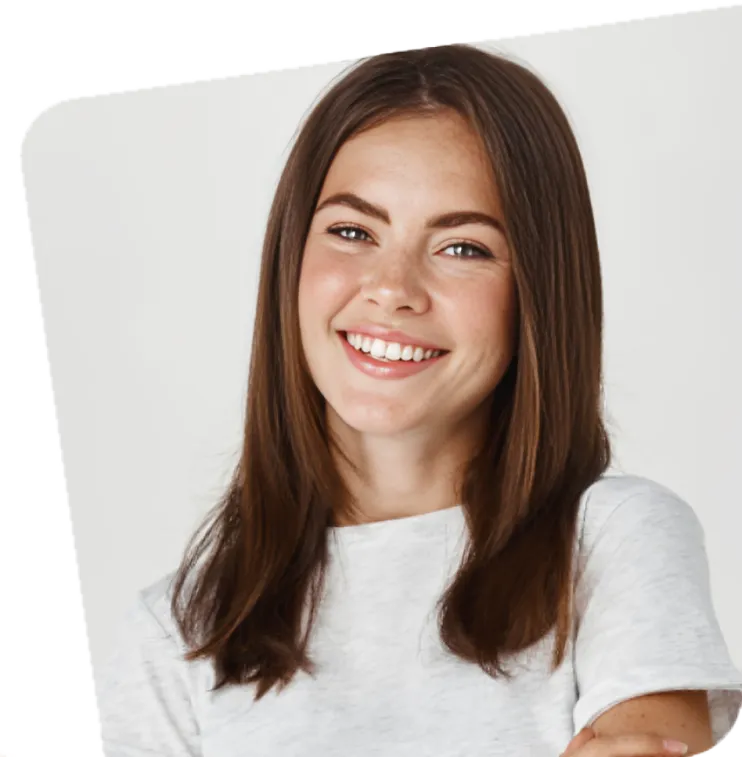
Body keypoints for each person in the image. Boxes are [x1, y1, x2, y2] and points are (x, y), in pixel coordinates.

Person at [94, 44, 742, 757]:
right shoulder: (175, 633)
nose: (392, 288)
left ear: (537, 291)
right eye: (352, 232)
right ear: (290, 258)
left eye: (462, 247)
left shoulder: (614, 540)